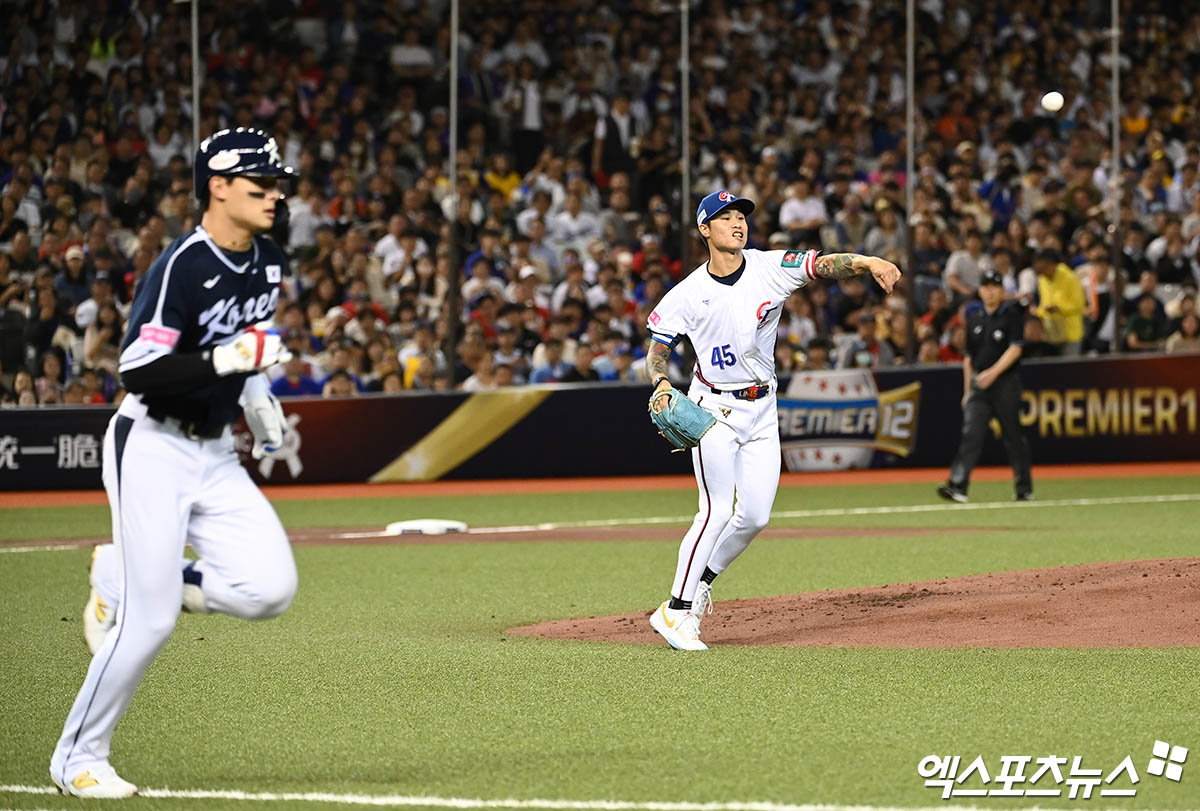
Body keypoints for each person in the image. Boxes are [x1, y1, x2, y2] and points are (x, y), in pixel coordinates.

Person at [50, 128, 298, 798]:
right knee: (152, 617)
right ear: (217, 186)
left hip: (215, 451)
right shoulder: (182, 265)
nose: (275, 194)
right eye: (260, 184)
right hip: (152, 442)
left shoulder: (269, 260)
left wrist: (255, 391)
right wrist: (229, 364)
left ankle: (121, 573)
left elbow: (243, 342)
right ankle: (77, 757)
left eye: (277, 184)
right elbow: (137, 365)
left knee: (270, 587)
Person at [643, 189, 901, 650]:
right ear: (705, 229)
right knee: (717, 509)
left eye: (741, 215)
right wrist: (661, 382)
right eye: (725, 217)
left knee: (755, 515)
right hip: (712, 409)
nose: (737, 223)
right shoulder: (687, 294)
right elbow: (658, 351)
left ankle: (699, 583)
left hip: (763, 407)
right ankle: (676, 611)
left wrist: (868, 261)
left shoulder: (768, 267)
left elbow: (822, 263)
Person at [937, 269, 1033, 504]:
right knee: (971, 433)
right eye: (986, 287)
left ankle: (1024, 487)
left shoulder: (1012, 315)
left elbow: (1015, 348)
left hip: (1005, 382)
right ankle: (958, 486)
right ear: (980, 291)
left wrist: (993, 373)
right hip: (979, 383)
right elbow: (969, 357)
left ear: (1002, 291)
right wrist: (967, 390)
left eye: (995, 287)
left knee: (1013, 435)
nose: (990, 291)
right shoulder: (974, 317)